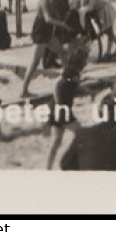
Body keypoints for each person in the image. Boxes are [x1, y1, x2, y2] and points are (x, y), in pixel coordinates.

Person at [43, 39, 90, 169]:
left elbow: (70, 86)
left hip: (56, 108)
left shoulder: (71, 72)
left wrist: (84, 89)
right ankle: (76, 162)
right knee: (80, 133)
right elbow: (58, 85)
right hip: (62, 109)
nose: (87, 62)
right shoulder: (72, 73)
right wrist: (59, 102)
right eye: (85, 60)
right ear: (81, 62)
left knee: (56, 141)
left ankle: (48, 167)